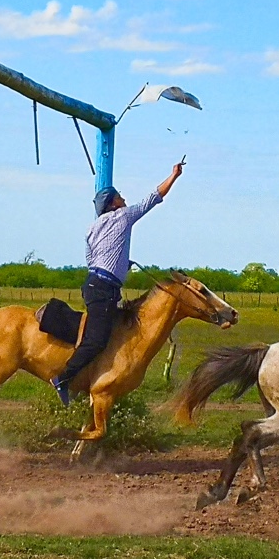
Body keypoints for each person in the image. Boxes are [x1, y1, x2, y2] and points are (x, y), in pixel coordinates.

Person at [52, 158, 186, 405]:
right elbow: (152, 198)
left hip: (97, 284)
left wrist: (121, 264)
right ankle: (63, 379)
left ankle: (97, 383)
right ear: (114, 203)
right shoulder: (123, 217)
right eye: (120, 197)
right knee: (97, 340)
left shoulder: (91, 228)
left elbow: (91, 259)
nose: (124, 199)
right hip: (104, 288)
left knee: (109, 335)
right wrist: (174, 175)